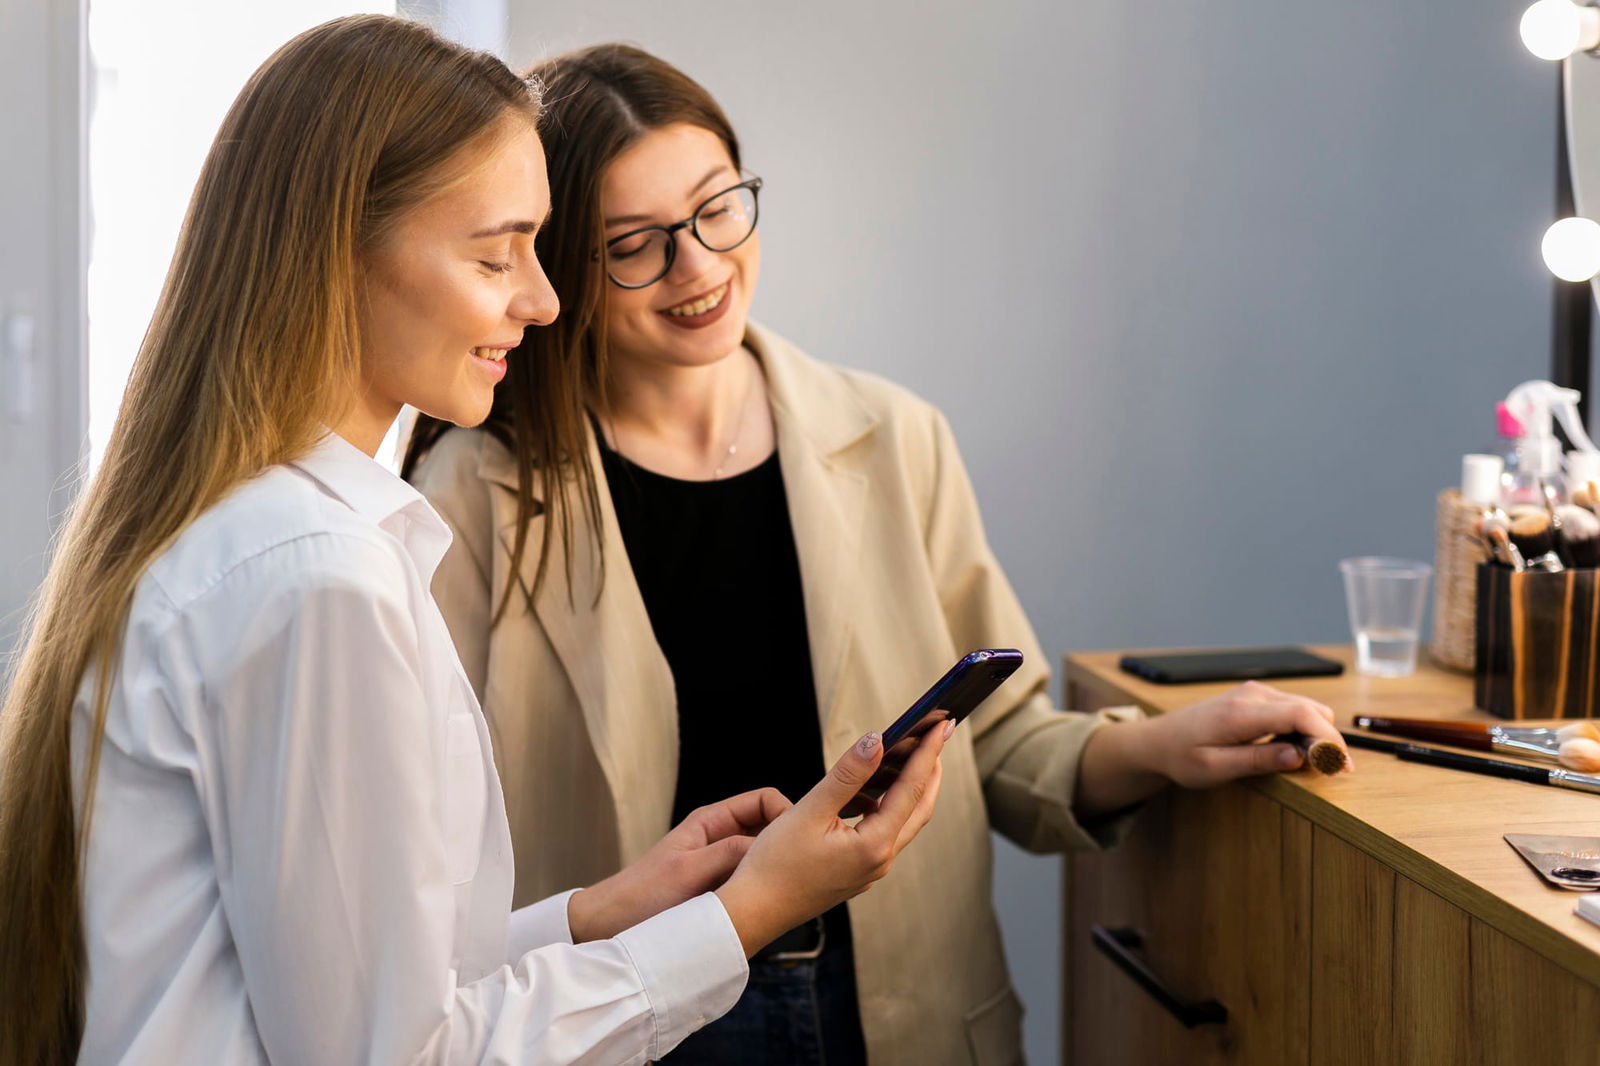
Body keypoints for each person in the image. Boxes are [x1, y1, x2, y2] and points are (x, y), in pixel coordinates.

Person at [0, 18, 948, 1066]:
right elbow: (399, 1054)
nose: (544, 300)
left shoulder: (286, 539)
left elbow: (355, 980)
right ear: (335, 256)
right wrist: (747, 914)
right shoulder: (316, 579)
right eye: (498, 253)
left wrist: (593, 913)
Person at [402, 42, 1350, 1066]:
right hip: (635, 1015)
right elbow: (429, 851)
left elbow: (996, 741)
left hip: (899, 1008)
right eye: (635, 243)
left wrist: (1159, 745)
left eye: (719, 206)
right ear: (562, 267)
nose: (700, 268)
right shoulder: (470, 497)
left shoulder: (895, 436)